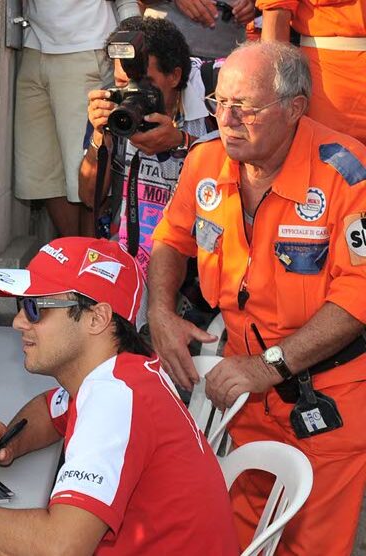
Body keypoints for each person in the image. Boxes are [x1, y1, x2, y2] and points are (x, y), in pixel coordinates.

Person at [0, 236, 238, 555]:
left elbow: (60, 548)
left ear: (96, 319)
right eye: (23, 305)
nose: (19, 322)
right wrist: (10, 441)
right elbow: (47, 409)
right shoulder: (121, 375)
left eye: (36, 308)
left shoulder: (114, 399)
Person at [149, 41, 366, 555]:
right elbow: (170, 238)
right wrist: (160, 310)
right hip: (243, 389)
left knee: (307, 546)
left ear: (295, 109)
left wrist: (269, 366)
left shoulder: (348, 174)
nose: (227, 120)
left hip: (326, 398)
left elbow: (359, 294)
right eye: (218, 104)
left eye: (245, 107)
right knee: (238, 534)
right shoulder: (205, 163)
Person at [79, 17, 211, 280]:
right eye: (121, 83)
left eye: (144, 84)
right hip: (126, 255)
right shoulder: (112, 106)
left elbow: (244, 175)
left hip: (198, 262)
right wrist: (99, 136)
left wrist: (181, 142)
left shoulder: (214, 97)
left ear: (175, 75)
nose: (130, 95)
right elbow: (88, 196)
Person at [14, 0, 139, 238]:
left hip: (87, 48)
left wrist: (129, 49)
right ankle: (71, 262)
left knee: (87, 174)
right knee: (46, 177)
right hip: (32, 46)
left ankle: (89, 263)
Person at [258, 0, 366, 145]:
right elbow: (276, 14)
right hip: (330, 82)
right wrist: (272, 94)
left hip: (332, 78)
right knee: (331, 157)